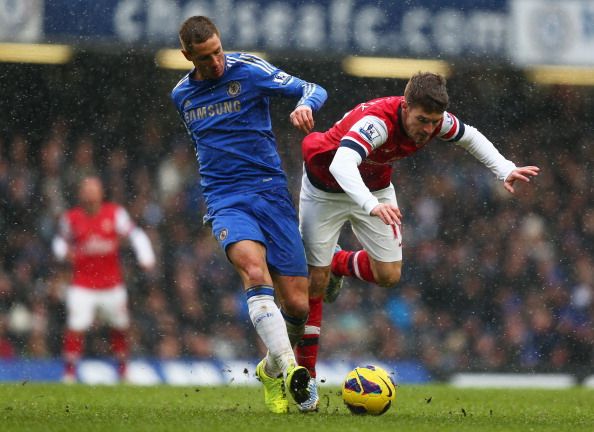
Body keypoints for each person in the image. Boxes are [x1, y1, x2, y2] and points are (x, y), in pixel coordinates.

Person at [296, 72, 540, 410]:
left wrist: (504, 168)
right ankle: (305, 377)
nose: (428, 128)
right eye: (422, 120)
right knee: (313, 284)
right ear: (404, 106)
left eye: (434, 122)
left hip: (376, 189)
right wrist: (370, 205)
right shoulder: (377, 122)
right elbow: (342, 163)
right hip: (325, 186)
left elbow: (470, 136)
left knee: (389, 275)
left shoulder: (434, 122)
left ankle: (337, 262)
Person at [170, 16, 327, 413]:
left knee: (297, 305)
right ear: (187, 56)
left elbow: (312, 88)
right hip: (225, 199)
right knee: (255, 275)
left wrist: (305, 105)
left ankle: (270, 369)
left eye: (218, 51)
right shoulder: (181, 96)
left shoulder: (250, 70)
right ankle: (293, 371)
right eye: (205, 58)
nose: (217, 63)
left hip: (270, 194)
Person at [52, 176, 156, 383]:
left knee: (120, 327)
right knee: (75, 327)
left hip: (111, 284)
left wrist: (146, 256)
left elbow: (135, 235)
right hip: (82, 284)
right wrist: (63, 253)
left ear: (101, 193)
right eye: (87, 189)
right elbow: (59, 241)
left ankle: (124, 372)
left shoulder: (115, 214)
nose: (90, 193)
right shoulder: (71, 218)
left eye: (94, 189)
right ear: (80, 194)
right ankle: (69, 374)